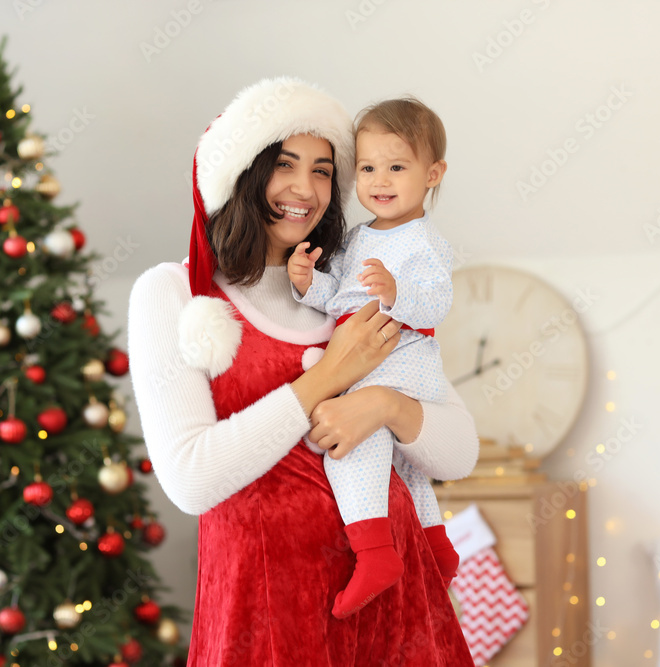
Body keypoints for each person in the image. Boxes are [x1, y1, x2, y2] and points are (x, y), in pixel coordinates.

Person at [128, 77, 478, 666]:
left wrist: (383, 405)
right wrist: (328, 376)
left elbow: (459, 454)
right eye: (283, 164)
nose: (305, 188)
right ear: (243, 171)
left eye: (322, 170)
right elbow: (191, 480)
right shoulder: (173, 294)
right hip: (268, 621)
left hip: (400, 617)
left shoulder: (348, 286)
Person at [287, 97, 459, 618]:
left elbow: (438, 302)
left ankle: (374, 553)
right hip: (374, 351)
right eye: (367, 168)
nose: (379, 180)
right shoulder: (360, 236)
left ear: (432, 174)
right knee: (404, 467)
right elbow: (339, 296)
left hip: (402, 354)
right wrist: (308, 283)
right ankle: (438, 547)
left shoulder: (425, 241)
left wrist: (395, 292)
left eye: (397, 167)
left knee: (351, 439)